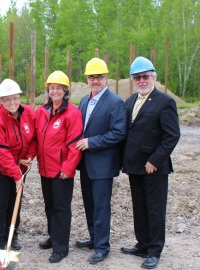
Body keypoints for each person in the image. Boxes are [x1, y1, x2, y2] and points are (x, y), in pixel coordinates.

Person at [121, 56, 180, 269]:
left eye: (145, 77)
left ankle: (154, 250)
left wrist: (155, 160)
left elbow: (171, 136)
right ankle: (142, 244)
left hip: (155, 167)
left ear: (153, 77)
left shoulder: (165, 102)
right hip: (135, 166)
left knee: (155, 209)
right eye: (137, 78)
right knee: (139, 207)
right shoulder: (130, 101)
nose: (141, 81)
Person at [74, 57, 128, 265]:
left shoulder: (115, 102)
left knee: (101, 206)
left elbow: (118, 132)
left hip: (103, 165)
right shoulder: (85, 100)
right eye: (92, 77)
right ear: (87, 79)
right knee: (89, 204)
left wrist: (91, 142)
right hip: (86, 163)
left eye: (99, 77)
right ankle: (94, 238)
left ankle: (102, 246)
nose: (95, 81)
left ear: (106, 78)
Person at [33, 71, 83, 263]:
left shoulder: (72, 113)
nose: (54, 91)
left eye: (58, 88)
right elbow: (36, 137)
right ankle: (53, 236)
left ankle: (61, 247)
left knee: (61, 208)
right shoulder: (43, 112)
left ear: (65, 91)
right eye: (51, 88)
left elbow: (75, 144)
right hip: (45, 169)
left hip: (61, 171)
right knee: (49, 206)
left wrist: (68, 169)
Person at [0, 79, 35, 252]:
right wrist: (16, 176)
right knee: (0, 204)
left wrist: (29, 155)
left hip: (20, 167)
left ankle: (12, 236)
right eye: (7, 99)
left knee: (15, 203)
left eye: (15, 98)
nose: (12, 103)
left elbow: (34, 138)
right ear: (1, 101)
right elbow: (2, 153)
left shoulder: (28, 113)